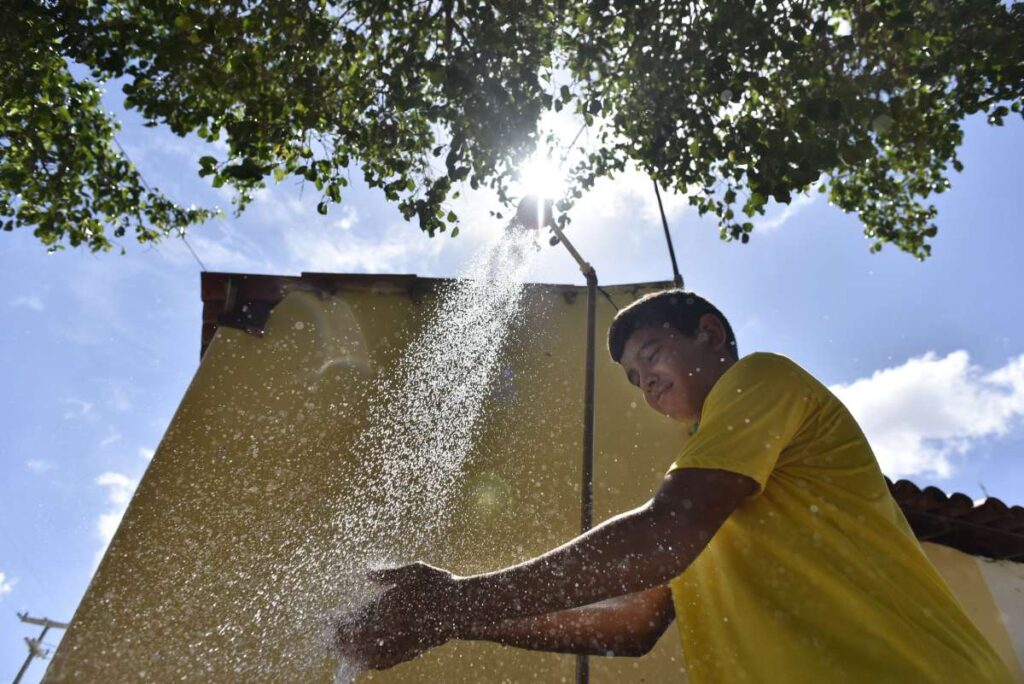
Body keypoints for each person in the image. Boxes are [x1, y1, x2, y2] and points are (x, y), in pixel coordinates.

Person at [335, 289, 1013, 682]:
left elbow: (665, 535)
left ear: (709, 334)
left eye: (652, 355)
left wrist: (454, 601)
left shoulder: (758, 382)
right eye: (632, 377)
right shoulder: (709, 481)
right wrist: (453, 621)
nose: (644, 383)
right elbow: (632, 627)